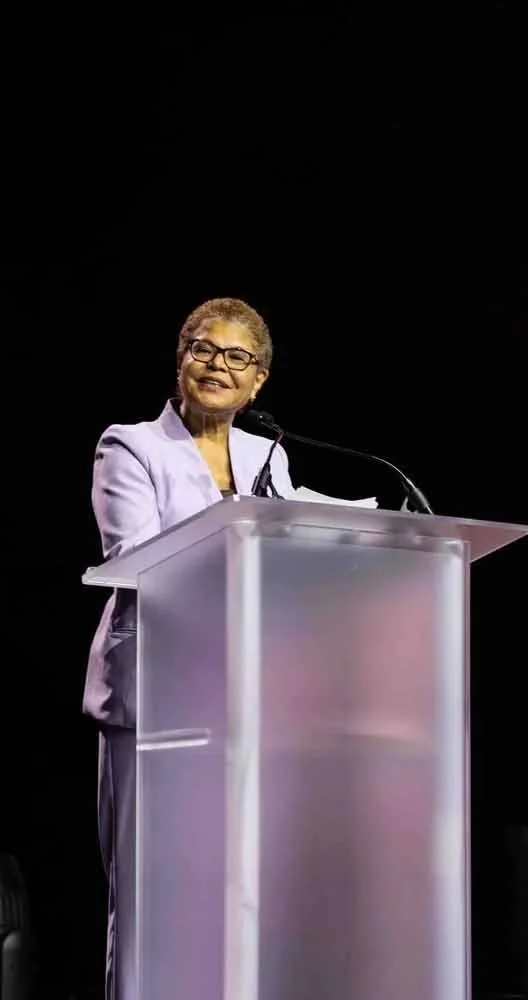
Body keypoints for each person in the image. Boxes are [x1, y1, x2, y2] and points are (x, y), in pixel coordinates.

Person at [85, 298, 294, 1000]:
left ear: (258, 379)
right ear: (181, 358)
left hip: (243, 704)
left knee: (233, 891)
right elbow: (137, 558)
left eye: (237, 357)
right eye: (204, 349)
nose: (217, 366)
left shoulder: (268, 456)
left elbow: (289, 562)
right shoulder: (131, 446)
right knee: (151, 895)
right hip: (155, 699)